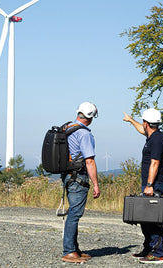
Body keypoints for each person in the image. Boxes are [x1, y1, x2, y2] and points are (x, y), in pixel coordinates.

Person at [123, 108, 163, 264]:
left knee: (153, 219)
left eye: (143, 122)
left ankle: (157, 253)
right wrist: (131, 120)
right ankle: (149, 248)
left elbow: (155, 163)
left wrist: (149, 185)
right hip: (149, 184)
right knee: (145, 219)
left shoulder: (157, 140)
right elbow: (142, 130)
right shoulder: (152, 135)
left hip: (154, 185)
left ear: (147, 123)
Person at [61, 102, 100, 263]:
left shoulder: (67, 128)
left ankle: (74, 249)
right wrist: (96, 184)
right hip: (78, 177)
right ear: (90, 117)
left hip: (68, 175)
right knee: (75, 214)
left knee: (73, 212)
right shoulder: (84, 134)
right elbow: (89, 161)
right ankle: (69, 251)